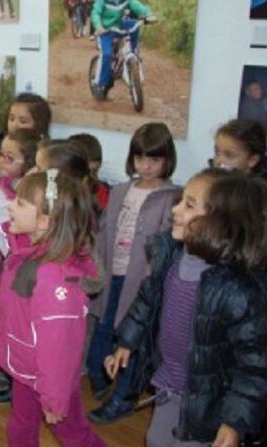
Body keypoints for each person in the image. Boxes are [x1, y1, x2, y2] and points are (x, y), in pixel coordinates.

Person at [105, 172, 267, 445]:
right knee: (155, 440)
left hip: (208, 404)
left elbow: (255, 366)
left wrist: (234, 422)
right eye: (180, 201)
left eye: (189, 205)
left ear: (224, 224)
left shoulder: (237, 291)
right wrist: (127, 341)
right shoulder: (170, 257)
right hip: (169, 386)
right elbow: (147, 300)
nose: (175, 210)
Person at [0, 170, 105, 447]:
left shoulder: (55, 279)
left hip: (51, 378)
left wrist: (54, 398)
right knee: (21, 425)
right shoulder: (24, 251)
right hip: (26, 366)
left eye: (20, 203)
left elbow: (59, 348)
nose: (10, 206)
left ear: (44, 221)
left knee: (73, 434)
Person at [87, 122, 180, 424]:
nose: (146, 166)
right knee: (104, 329)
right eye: (140, 158)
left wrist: (152, 280)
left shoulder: (171, 197)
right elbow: (103, 232)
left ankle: (123, 397)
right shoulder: (120, 191)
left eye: (154, 159)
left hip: (141, 284)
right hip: (112, 275)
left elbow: (166, 246)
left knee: (132, 340)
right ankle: (99, 378)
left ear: (167, 160)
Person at [91, 0, 153, 99]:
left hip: (118, 26)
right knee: (107, 55)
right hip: (105, 31)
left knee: (134, 24)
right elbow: (95, 13)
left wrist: (148, 14)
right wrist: (99, 26)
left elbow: (136, 5)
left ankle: (133, 51)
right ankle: (100, 84)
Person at [0, 93, 51, 174]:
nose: (14, 125)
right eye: (11, 119)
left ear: (40, 125)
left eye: (23, 121)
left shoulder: (46, 156)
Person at [69, 133, 111, 215]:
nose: (89, 178)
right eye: (83, 173)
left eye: (95, 172)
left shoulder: (105, 193)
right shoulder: (57, 193)